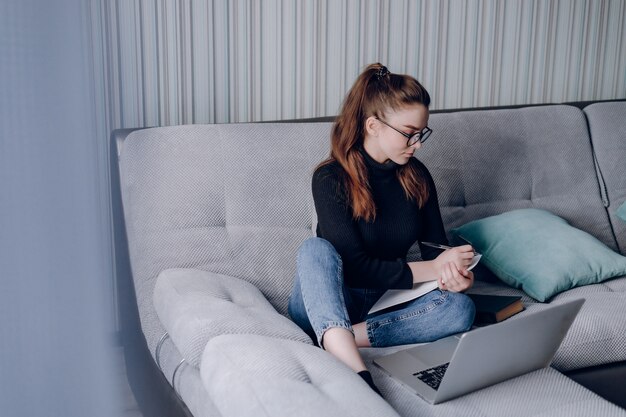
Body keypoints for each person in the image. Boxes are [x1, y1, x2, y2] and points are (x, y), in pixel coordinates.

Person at [288, 63, 476, 395]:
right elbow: (356, 269)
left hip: (384, 303)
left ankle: (339, 340)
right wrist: (432, 268)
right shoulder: (330, 178)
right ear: (374, 125)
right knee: (314, 250)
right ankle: (359, 377)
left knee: (460, 309)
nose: (417, 143)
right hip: (327, 299)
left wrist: (452, 273)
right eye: (409, 132)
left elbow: (435, 252)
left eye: (422, 133)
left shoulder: (417, 176)